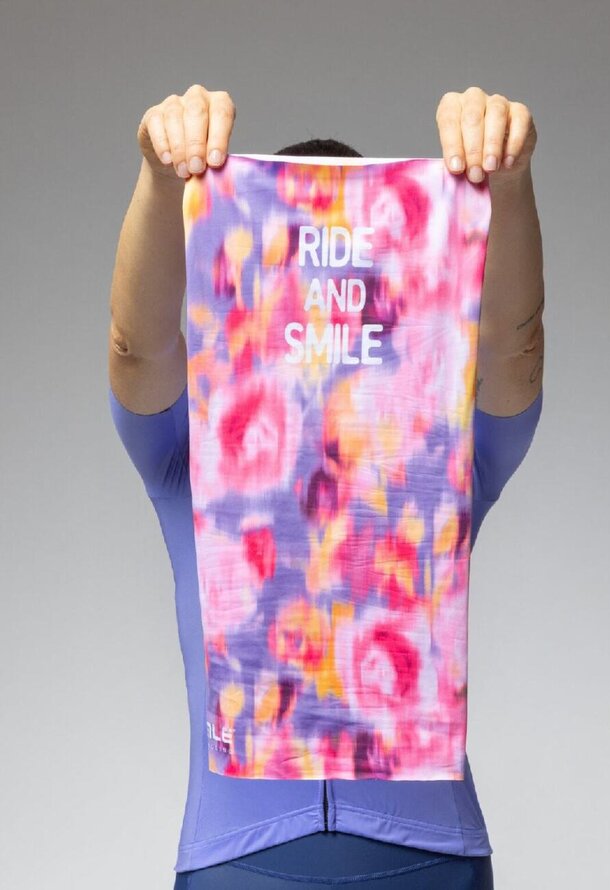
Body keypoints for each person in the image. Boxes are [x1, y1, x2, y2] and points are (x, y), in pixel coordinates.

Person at [108, 84, 544, 890]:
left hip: (420, 859)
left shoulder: (438, 440)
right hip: (247, 862)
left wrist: (507, 189)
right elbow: (137, 349)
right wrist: (163, 182)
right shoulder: (194, 449)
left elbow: (513, 353)